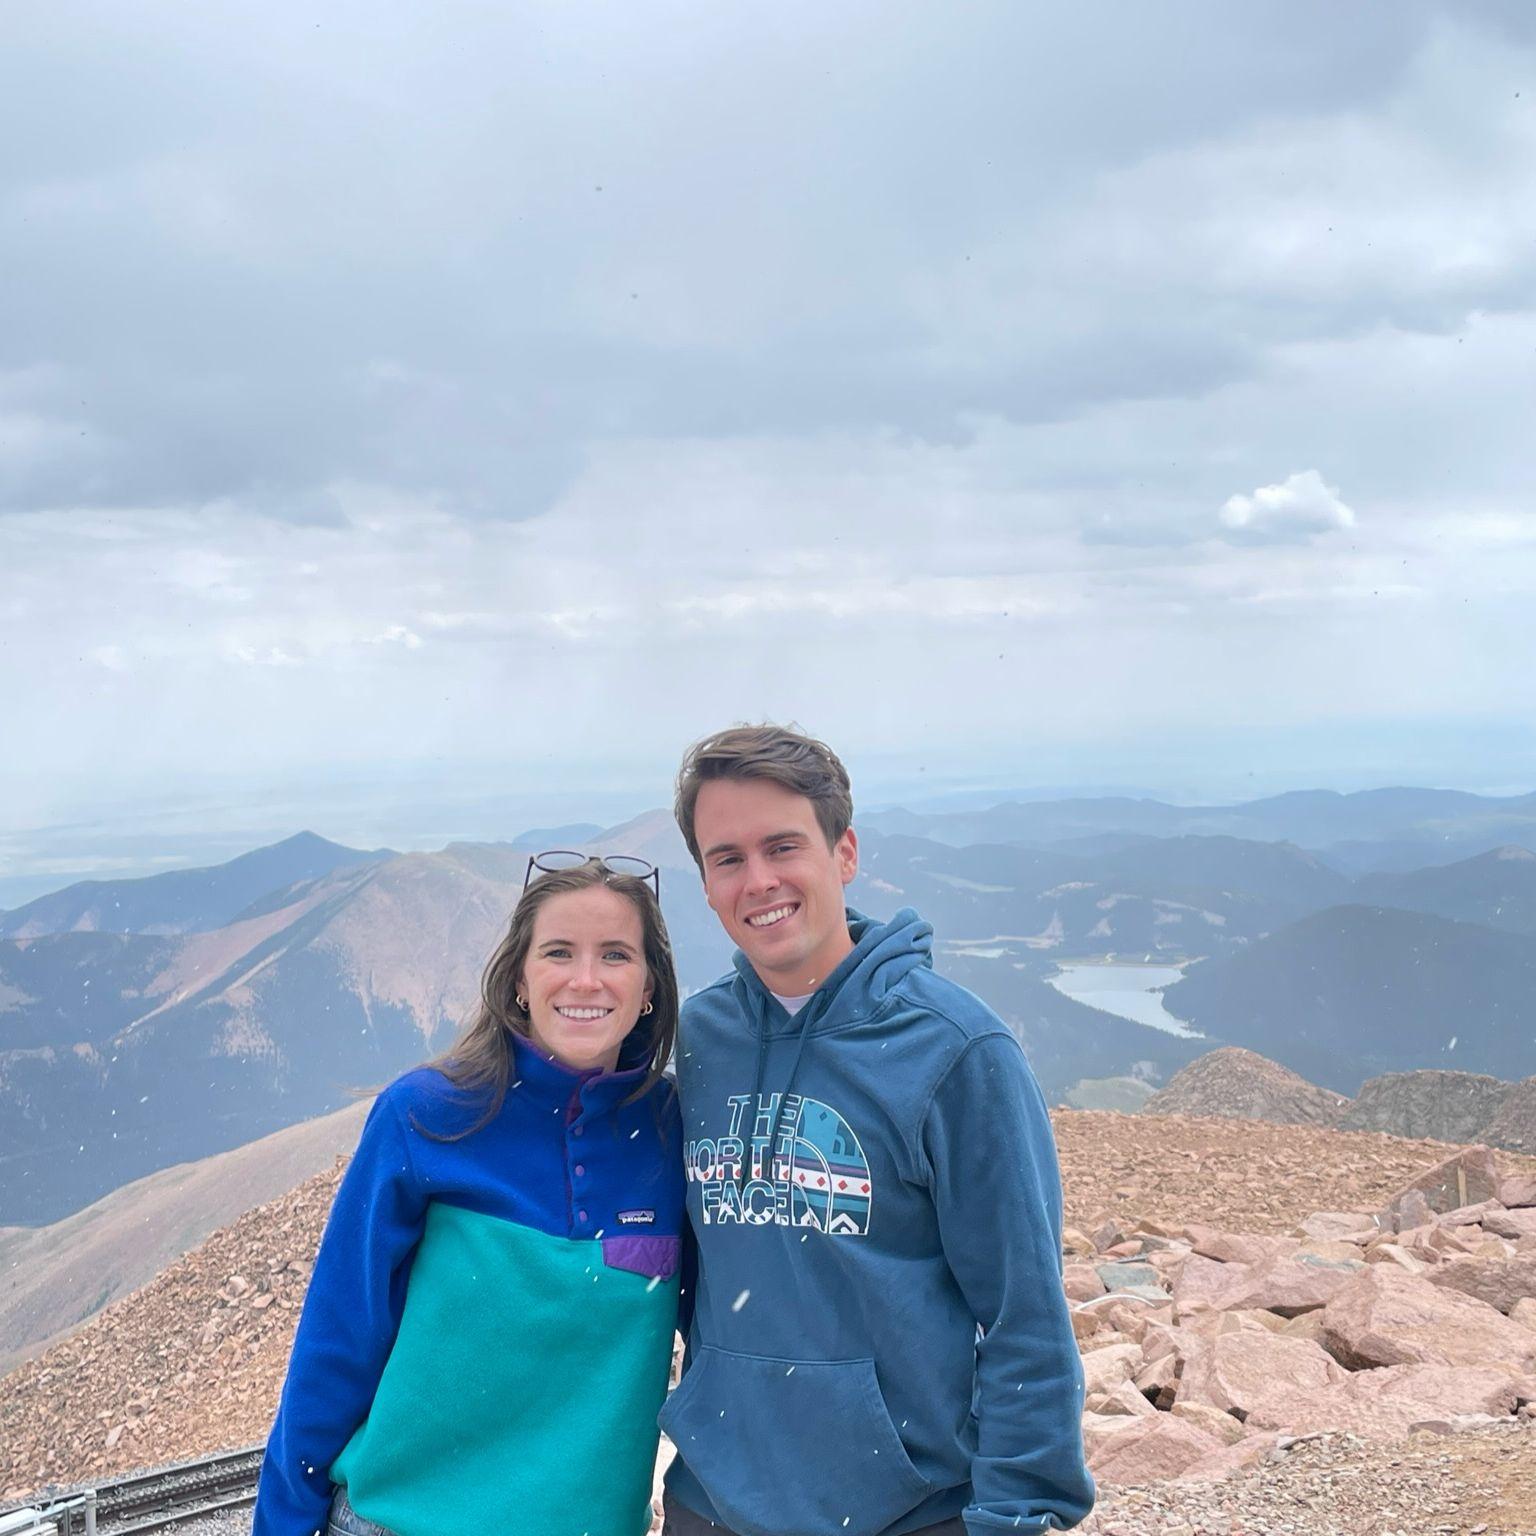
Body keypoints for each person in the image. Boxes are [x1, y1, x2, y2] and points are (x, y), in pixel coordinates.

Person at [660, 726, 1093, 1536]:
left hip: (904, 1514)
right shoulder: (700, 1043)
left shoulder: (957, 1051)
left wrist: (1015, 1514)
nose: (759, 881)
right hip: (710, 1506)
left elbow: (1023, 1313)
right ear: (708, 884)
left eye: (782, 847)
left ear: (844, 852)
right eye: (728, 859)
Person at [253, 854, 685, 1536]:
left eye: (616, 955)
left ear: (651, 987)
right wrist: (280, 1523)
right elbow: (338, 1339)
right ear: (519, 977)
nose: (586, 979)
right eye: (558, 952)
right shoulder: (423, 1116)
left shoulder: (673, 1133)